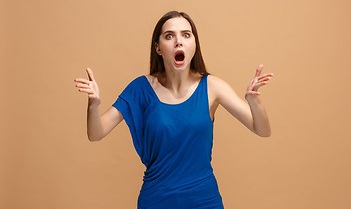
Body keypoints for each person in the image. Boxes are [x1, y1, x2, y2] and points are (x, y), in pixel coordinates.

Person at [74, 11, 274, 208]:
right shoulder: (140, 89)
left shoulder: (212, 87)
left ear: (194, 44)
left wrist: (253, 100)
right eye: (169, 36)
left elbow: (263, 130)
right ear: (158, 48)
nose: (178, 41)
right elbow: (96, 133)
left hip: (205, 201)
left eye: (186, 35)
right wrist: (94, 103)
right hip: (156, 201)